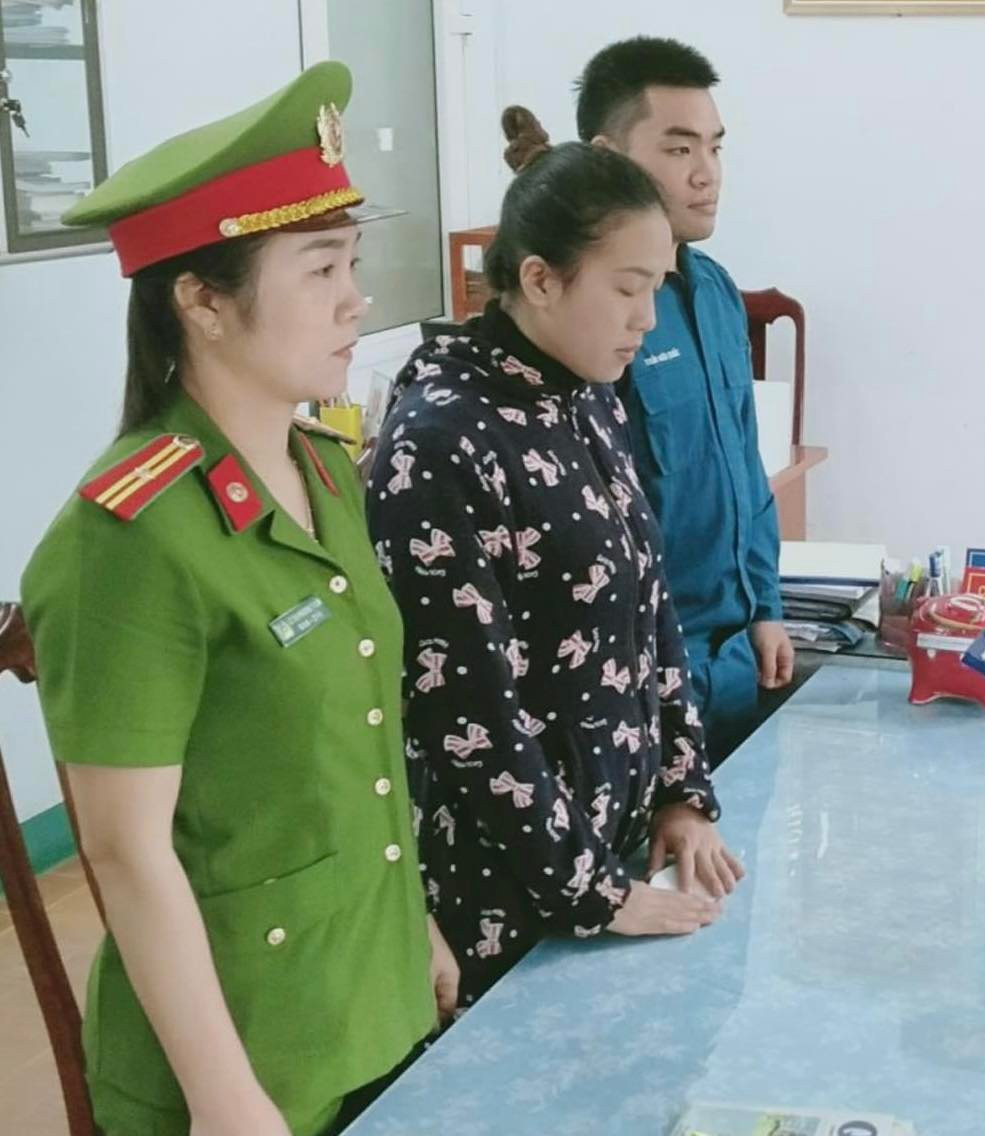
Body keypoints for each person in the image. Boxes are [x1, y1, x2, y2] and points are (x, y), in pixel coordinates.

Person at [21, 63, 458, 1136]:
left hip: (368, 999)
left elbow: (354, 760)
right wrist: (224, 1097)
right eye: (320, 269)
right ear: (203, 302)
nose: (356, 298)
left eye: (352, 261)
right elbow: (125, 851)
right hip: (246, 1061)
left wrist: (414, 931)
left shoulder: (326, 472)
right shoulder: (127, 539)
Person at [367, 107, 740, 1006]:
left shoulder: (585, 393)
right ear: (538, 278)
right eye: (627, 290)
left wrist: (682, 792)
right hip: (513, 895)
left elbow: (650, 607)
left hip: (615, 852)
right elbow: (467, 716)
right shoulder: (441, 444)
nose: (647, 320)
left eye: (657, 288)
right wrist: (596, 894)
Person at [574, 37, 791, 758]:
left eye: (715, 148)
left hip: (736, 658)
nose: (707, 174)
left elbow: (745, 469)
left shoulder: (716, 291)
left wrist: (765, 606)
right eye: (678, 149)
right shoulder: (592, 317)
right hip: (644, 668)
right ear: (607, 158)